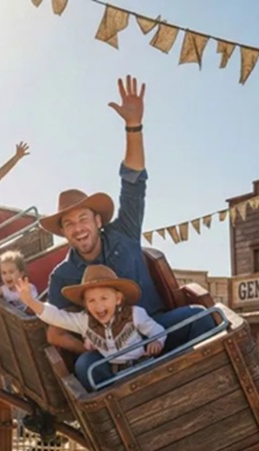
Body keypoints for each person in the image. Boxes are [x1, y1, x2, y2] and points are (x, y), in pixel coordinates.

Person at [41, 76, 216, 360]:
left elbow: (133, 181)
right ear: (64, 234)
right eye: (69, 224)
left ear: (98, 221)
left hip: (158, 332)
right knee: (87, 367)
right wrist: (90, 348)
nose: (78, 228)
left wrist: (133, 126)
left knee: (200, 317)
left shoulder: (124, 232)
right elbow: (54, 333)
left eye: (82, 218)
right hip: (114, 354)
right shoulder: (62, 276)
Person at [15, 265, 165, 390]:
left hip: (144, 366)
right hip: (115, 375)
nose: (98, 305)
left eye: (104, 298)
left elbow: (156, 330)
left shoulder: (134, 314)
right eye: (91, 301)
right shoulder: (84, 321)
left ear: (118, 299)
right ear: (85, 304)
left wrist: (156, 341)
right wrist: (31, 301)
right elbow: (56, 316)